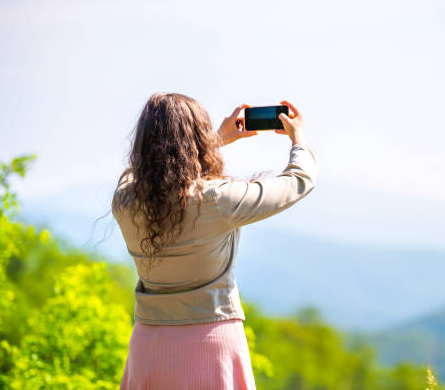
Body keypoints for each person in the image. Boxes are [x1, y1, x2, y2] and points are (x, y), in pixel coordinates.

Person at [112, 93, 317, 389]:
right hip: (211, 340)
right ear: (195, 139)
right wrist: (299, 139)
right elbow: (298, 181)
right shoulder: (217, 200)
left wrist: (217, 138)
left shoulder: (125, 199)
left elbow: (144, 173)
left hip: (148, 342)